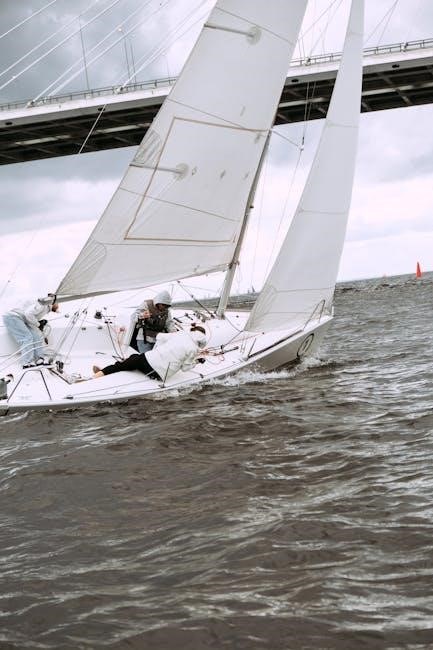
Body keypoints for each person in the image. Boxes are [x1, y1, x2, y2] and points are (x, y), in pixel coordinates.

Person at [93, 324, 207, 382]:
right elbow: (185, 368)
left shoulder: (180, 334)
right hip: (158, 374)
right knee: (134, 358)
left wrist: (157, 349)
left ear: (192, 331)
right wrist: (197, 361)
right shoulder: (194, 349)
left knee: (129, 360)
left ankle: (98, 375)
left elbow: (159, 336)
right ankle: (104, 372)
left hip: (147, 360)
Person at [3, 294, 59, 368]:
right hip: (13, 317)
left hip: (23, 320)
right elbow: (28, 314)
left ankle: (39, 359)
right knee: (27, 337)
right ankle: (26, 363)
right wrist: (38, 324)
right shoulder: (43, 305)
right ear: (53, 302)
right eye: (58, 303)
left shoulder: (46, 307)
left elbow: (30, 317)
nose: (58, 306)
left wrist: (38, 324)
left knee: (36, 337)